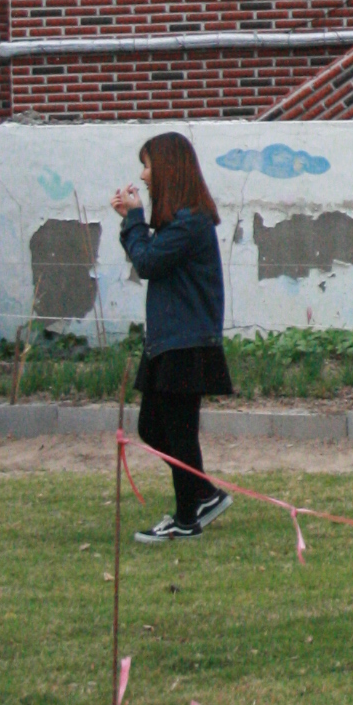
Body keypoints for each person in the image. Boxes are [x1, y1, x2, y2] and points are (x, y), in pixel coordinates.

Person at [112, 132, 235, 543]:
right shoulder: (177, 223)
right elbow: (151, 255)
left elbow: (147, 261)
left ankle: (187, 519)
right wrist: (133, 222)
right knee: (152, 426)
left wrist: (132, 220)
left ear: (167, 170)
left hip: (187, 344)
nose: (143, 176)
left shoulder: (191, 223)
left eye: (147, 166)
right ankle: (203, 496)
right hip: (167, 342)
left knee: (178, 432)